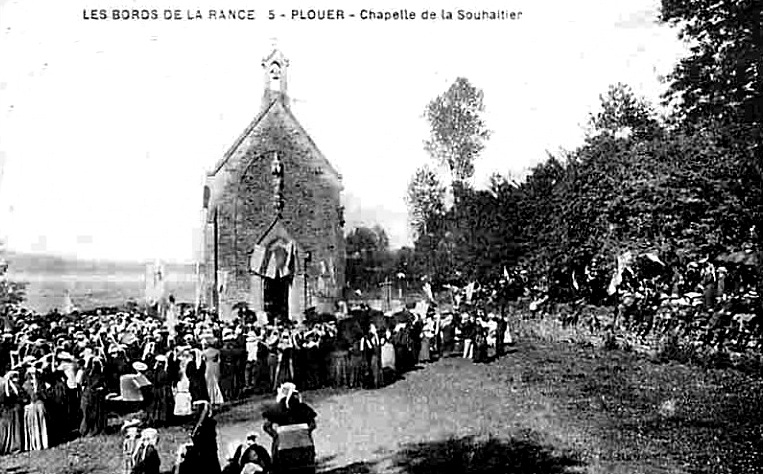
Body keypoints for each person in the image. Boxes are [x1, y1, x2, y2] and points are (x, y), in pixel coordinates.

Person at [262, 383, 317, 474]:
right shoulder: (303, 407)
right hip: (304, 444)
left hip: (283, 446)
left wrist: (276, 436)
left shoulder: (277, 408)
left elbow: (266, 426)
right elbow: (313, 424)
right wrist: (305, 432)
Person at [189, 400, 221, 474]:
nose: (193, 410)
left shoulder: (207, 425)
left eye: (196, 408)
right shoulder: (199, 423)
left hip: (206, 454)